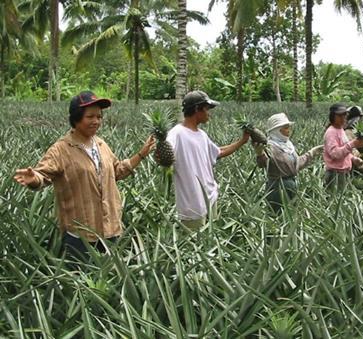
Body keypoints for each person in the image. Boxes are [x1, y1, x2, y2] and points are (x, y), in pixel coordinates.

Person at [13, 91, 156, 261]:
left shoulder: (101, 145)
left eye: (99, 116)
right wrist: (33, 179)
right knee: (79, 282)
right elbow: (42, 175)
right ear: (76, 118)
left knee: (109, 282)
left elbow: (116, 171)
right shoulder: (61, 149)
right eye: (90, 117)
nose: (96, 121)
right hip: (80, 235)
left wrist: (141, 154)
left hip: (110, 228)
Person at [166, 90, 249, 230]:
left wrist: (242, 141)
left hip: (211, 197)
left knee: (212, 242)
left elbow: (219, 152)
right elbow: (165, 153)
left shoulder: (202, 135)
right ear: (197, 109)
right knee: (193, 247)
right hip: (192, 204)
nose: (209, 113)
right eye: (206, 109)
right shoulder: (176, 133)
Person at [253, 113, 322, 213]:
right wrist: (259, 153)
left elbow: (295, 166)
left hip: (291, 185)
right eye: (286, 127)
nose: (289, 130)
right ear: (277, 130)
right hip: (277, 187)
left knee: (291, 214)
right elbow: (263, 164)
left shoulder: (288, 145)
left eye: (288, 127)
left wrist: (312, 153)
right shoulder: (270, 146)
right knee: (277, 215)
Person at [323, 104, 363, 192]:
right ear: (332, 116)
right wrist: (352, 144)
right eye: (339, 115)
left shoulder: (340, 130)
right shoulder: (331, 132)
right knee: (335, 200)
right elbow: (335, 154)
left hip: (343, 172)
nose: (343, 117)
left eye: (344, 115)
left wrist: (353, 158)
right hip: (335, 174)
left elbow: (344, 150)